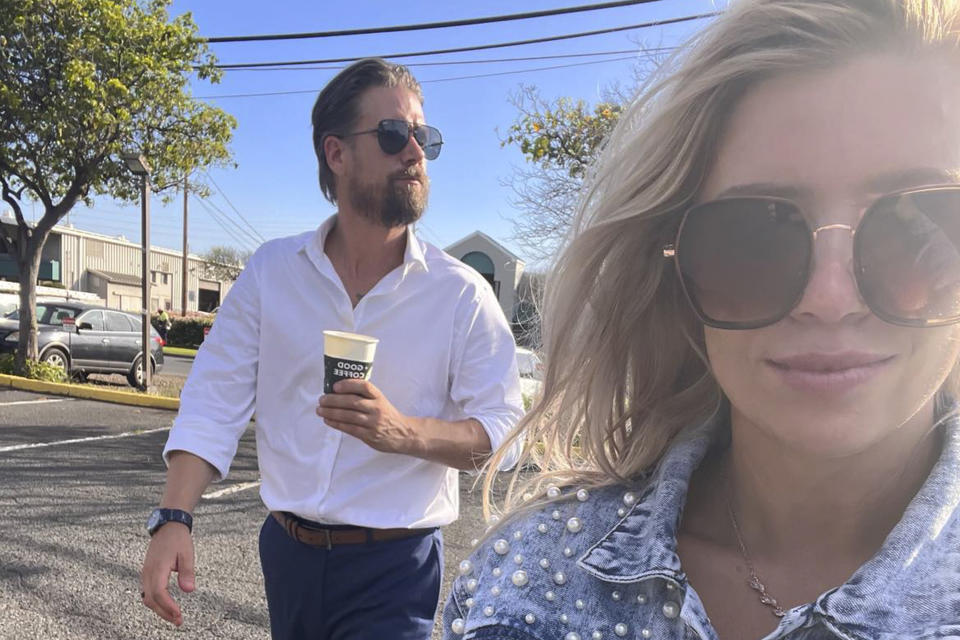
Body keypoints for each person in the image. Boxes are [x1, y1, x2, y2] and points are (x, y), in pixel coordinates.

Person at [442, 1, 960, 639]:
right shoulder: (533, 581)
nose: (831, 297)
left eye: (920, 227)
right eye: (752, 237)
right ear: (674, 273)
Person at [139, 58, 524, 640]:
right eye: (395, 135)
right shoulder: (273, 272)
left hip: (395, 567)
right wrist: (174, 517)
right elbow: (215, 399)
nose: (414, 152)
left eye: (424, 136)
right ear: (336, 154)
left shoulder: (461, 295)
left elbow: (507, 433)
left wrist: (405, 432)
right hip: (287, 554)